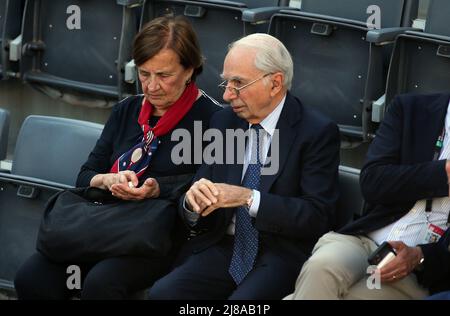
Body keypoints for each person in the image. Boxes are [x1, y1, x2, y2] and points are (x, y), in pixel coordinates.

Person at [14, 16, 221, 300]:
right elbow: (86, 174)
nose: (151, 86)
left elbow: (210, 187)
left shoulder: (214, 119)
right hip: (106, 226)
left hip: (158, 236)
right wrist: (108, 180)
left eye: (164, 75)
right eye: (144, 74)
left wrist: (159, 188)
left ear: (190, 70)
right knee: (32, 277)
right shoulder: (127, 109)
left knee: (101, 283)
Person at [147, 33, 340, 300]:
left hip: (279, 253)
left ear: (275, 83)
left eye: (238, 83)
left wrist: (248, 198)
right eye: (226, 82)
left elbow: (317, 215)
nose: (227, 95)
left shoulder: (316, 132)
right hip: (222, 245)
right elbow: (199, 190)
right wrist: (192, 202)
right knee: (162, 295)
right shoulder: (224, 122)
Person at [285, 93, 450, 300]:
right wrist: (440, 174)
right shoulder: (411, 109)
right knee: (321, 267)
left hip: (415, 272)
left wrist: (421, 256)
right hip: (363, 238)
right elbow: (373, 182)